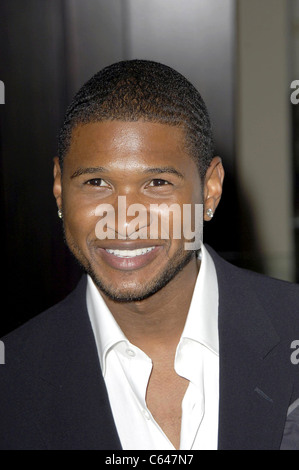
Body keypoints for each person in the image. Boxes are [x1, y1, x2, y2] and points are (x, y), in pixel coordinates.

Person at [0, 60, 298, 450]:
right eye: (96, 182)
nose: (124, 220)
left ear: (209, 189)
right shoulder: (13, 380)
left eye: (157, 183)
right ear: (59, 189)